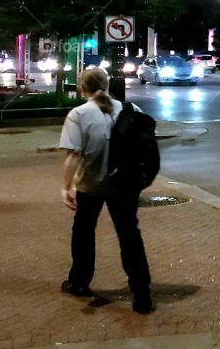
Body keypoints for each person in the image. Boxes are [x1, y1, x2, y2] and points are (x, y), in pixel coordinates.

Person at [58, 66, 153, 313]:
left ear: (82, 88)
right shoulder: (132, 110)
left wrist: (66, 186)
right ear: (107, 85)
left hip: (90, 185)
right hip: (126, 185)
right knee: (129, 234)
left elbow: (73, 155)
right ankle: (141, 292)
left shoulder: (78, 114)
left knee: (83, 232)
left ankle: (79, 281)